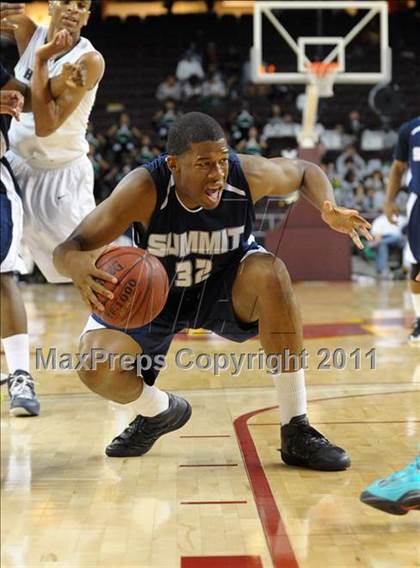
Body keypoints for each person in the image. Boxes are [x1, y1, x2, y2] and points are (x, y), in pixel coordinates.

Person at [53, 112, 372, 470]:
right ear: (174, 165)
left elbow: (304, 172)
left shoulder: (245, 175)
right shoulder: (144, 189)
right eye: (204, 164)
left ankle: (296, 429)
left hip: (225, 284)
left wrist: (327, 208)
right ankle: (158, 411)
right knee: (94, 365)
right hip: (157, 294)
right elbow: (68, 248)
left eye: (221, 161)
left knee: (272, 272)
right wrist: (76, 265)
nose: (218, 173)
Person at [5, 0, 104, 285]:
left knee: (90, 270)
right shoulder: (28, 32)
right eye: (67, 2)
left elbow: (46, 125)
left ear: (86, 18)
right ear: (51, 6)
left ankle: (118, 326)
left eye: (82, 5)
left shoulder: (89, 61)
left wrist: (41, 62)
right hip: (15, 166)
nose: (73, 9)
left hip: (60, 177)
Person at [383, 116, 420, 342]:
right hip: (419, 201)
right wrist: (389, 200)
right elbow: (398, 168)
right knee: (417, 265)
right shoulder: (410, 128)